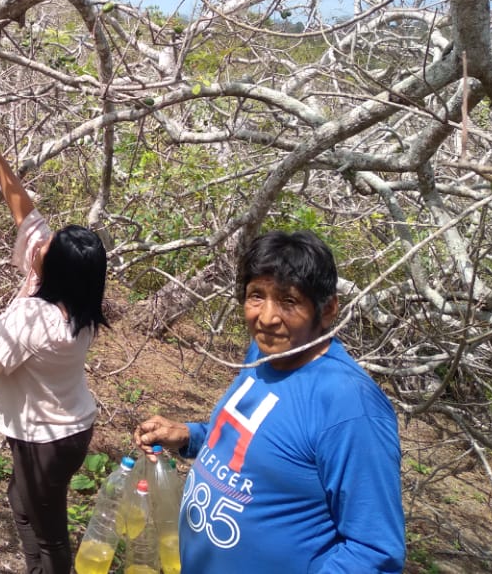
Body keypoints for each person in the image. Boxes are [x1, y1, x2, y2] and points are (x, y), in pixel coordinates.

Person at [135, 230, 405, 573]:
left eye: (288, 301)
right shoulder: (263, 354)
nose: (266, 318)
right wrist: (189, 436)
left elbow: (374, 552)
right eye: (256, 296)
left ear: (327, 310)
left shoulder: (349, 406)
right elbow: (257, 443)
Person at [0, 127, 109, 574]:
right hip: (63, 428)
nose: (38, 242)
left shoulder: (38, 319)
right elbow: (26, 215)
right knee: (21, 502)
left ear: (54, 269)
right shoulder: (76, 297)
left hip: (48, 440)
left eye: (45, 248)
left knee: (50, 531)